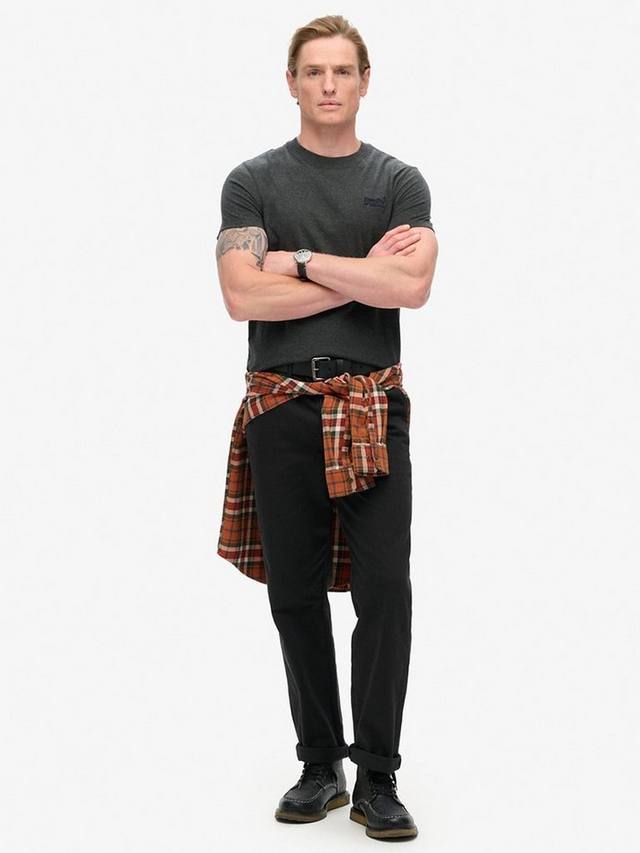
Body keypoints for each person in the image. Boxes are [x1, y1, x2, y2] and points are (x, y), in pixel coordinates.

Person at [215, 14, 438, 841]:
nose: (329, 85)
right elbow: (241, 295)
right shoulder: (252, 183)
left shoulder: (400, 183)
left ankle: (378, 776)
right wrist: (362, 274)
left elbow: (411, 289)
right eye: (314, 71)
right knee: (295, 593)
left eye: (343, 70)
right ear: (292, 82)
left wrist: (302, 262)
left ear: (365, 81)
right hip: (280, 404)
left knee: (386, 592)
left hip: (373, 403)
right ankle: (320, 765)